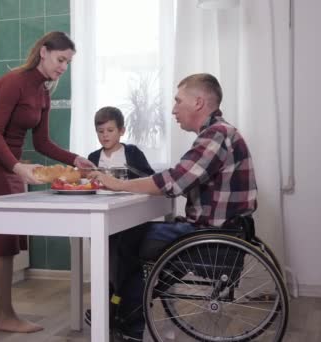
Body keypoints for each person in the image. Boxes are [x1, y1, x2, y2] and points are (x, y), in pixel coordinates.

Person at [89, 73, 258, 341]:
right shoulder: (219, 133)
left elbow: (174, 181)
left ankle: (126, 320)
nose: (173, 109)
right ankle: (127, 308)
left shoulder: (216, 135)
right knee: (136, 238)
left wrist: (116, 184)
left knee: (128, 238)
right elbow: (180, 175)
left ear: (199, 102)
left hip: (210, 235)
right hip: (226, 229)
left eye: (178, 101)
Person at [0, 31, 95, 334]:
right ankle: (7, 316)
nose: (63, 66)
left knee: (6, 239)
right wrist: (16, 167)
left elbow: (42, 142)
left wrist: (75, 158)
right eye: (60, 59)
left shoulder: (43, 92)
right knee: (4, 241)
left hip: (12, 167)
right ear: (44, 52)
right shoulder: (14, 82)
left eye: (68, 62)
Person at [83, 106, 154, 330]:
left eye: (110, 130)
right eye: (100, 131)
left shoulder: (132, 153)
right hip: (102, 215)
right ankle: (107, 309)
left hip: (129, 218)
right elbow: (87, 185)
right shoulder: (93, 157)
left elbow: (148, 178)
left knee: (125, 263)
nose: (105, 135)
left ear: (121, 131)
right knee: (104, 264)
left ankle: (124, 310)